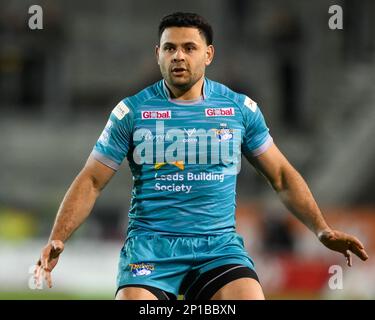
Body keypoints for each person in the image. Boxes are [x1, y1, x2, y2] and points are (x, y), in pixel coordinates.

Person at [34, 12, 368, 300]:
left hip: (217, 248)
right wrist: (58, 238)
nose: (178, 56)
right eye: (170, 48)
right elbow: (91, 181)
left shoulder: (239, 109)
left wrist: (322, 229)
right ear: (158, 54)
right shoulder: (132, 112)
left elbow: (280, 176)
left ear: (208, 54)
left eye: (189, 48)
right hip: (151, 249)